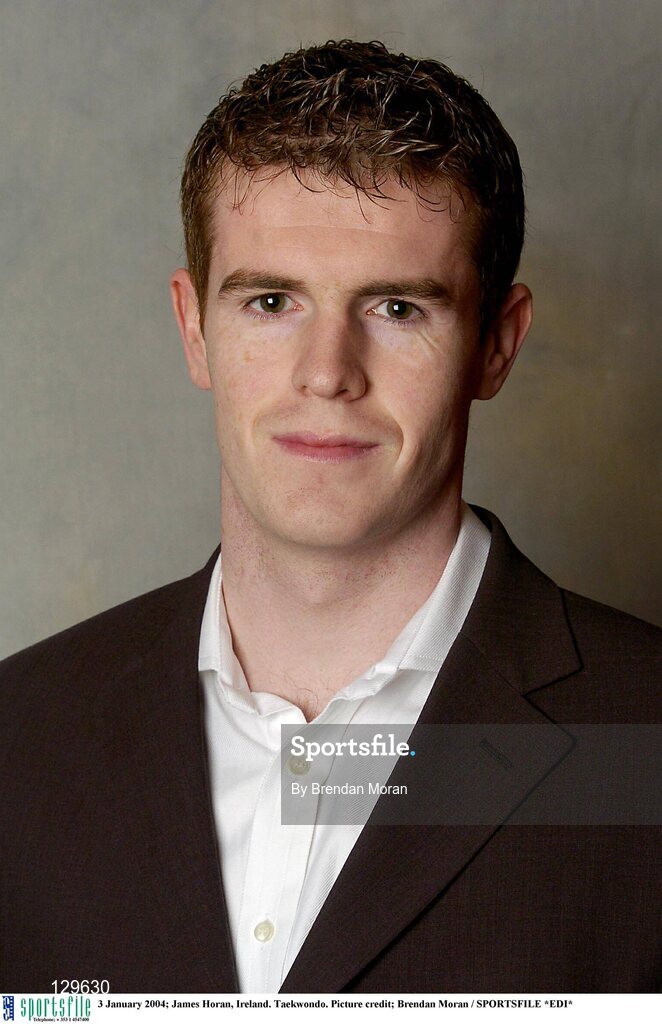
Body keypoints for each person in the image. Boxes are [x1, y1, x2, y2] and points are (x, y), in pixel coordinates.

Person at [1, 39, 660, 995]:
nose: (326, 372)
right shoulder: (21, 740)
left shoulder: (646, 745)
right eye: (270, 301)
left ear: (496, 346)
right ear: (195, 329)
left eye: (397, 307)